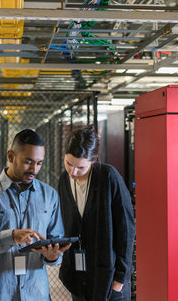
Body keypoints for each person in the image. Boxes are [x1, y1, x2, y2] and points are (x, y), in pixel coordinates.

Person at [0, 129, 69, 301]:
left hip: (36, 293)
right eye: (28, 162)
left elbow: (56, 240)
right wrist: (11, 236)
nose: (34, 169)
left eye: (39, 163)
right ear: (11, 156)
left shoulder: (50, 195)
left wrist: (53, 257)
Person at [58, 125, 135, 301]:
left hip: (109, 278)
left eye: (81, 167)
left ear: (93, 161)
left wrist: (120, 278)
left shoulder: (108, 177)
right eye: (69, 163)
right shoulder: (64, 180)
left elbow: (126, 229)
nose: (73, 172)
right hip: (78, 276)